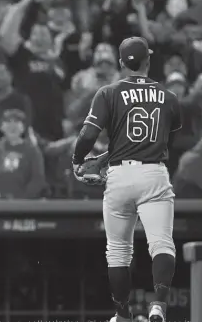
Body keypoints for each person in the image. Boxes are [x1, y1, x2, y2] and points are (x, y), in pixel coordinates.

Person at [71, 37, 182, 322]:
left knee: (118, 251)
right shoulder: (169, 96)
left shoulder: (108, 92)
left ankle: (122, 315)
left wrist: (79, 160)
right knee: (161, 243)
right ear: (148, 60)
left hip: (119, 175)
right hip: (154, 172)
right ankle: (159, 306)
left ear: (121, 63)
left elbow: (87, 136)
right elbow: (167, 137)